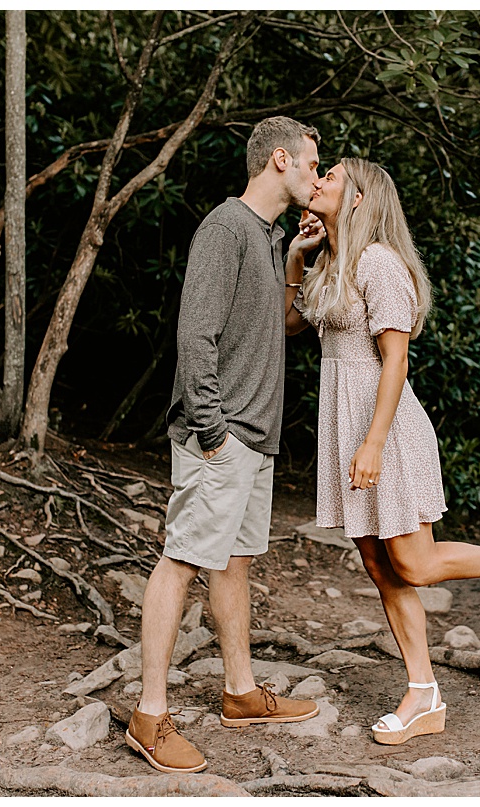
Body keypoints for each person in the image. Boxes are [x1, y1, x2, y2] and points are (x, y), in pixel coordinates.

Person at [287, 157, 480, 746]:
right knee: (377, 564)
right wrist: (296, 259)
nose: (317, 181)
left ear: (362, 199)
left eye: (332, 177)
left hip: (384, 428)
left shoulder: (379, 264)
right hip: (346, 425)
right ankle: (424, 694)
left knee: (413, 564)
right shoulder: (331, 263)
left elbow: (396, 359)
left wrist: (371, 443)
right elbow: (290, 324)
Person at [126, 117, 324, 774]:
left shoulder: (267, 240)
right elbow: (196, 335)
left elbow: (286, 327)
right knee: (182, 558)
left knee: (232, 562)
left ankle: (240, 693)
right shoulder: (225, 228)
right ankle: (149, 716)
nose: (315, 178)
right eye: (310, 165)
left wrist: (295, 259)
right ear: (278, 160)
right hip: (224, 433)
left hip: (254, 438)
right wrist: (212, 429)